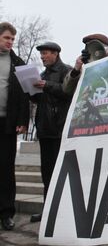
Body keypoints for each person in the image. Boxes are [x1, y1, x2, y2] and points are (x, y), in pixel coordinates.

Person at [30, 42, 72, 223]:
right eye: (41, 55)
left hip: (59, 129)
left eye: (45, 53)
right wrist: (31, 91)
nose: (43, 57)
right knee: (46, 174)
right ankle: (48, 210)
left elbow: (67, 92)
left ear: (56, 53)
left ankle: (62, 211)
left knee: (59, 173)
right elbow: (41, 100)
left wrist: (46, 85)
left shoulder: (66, 71)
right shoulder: (43, 74)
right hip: (45, 129)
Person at [0, 22, 29, 231]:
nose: (10, 42)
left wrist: (22, 121)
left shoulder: (18, 62)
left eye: (12, 39)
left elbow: (23, 96)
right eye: (6, 38)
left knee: (6, 169)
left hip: (7, 124)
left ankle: (7, 213)